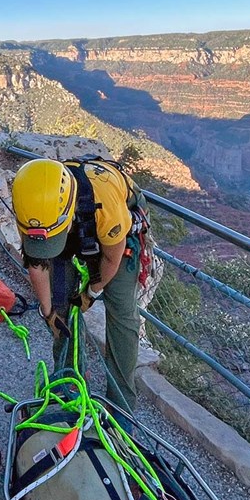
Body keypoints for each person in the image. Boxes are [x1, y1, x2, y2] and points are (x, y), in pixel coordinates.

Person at [11, 157, 151, 412]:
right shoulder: (32, 205)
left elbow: (111, 258)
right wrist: (48, 311)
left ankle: (121, 406)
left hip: (113, 235)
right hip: (67, 221)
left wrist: (91, 292)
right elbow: (36, 260)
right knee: (60, 304)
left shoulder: (106, 204)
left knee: (121, 310)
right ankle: (69, 378)